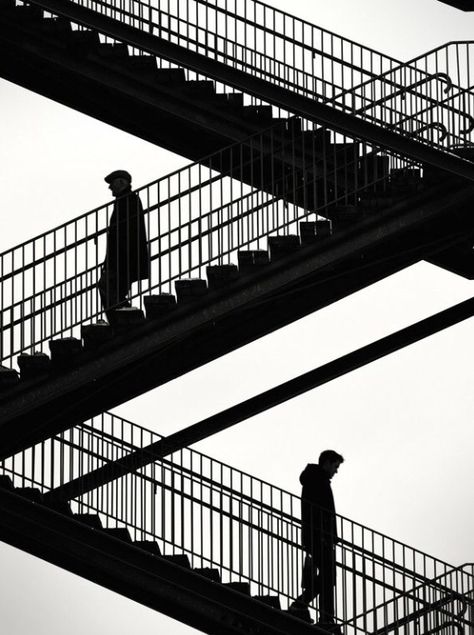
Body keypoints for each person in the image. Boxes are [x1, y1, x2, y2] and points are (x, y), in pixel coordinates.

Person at [289, 450, 344, 632]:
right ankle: (323, 615)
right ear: (327, 463)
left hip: (319, 536)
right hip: (319, 536)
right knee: (329, 576)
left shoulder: (316, 479)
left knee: (329, 576)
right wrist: (325, 535)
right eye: (335, 466)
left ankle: (308, 607)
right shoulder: (316, 479)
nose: (336, 471)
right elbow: (318, 510)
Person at [98, 170, 149, 322]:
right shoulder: (127, 200)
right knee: (112, 289)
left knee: (108, 287)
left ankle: (123, 319)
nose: (110, 188)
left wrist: (114, 260)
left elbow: (124, 234)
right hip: (122, 258)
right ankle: (123, 317)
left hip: (124, 259)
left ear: (121, 183)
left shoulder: (128, 200)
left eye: (112, 183)